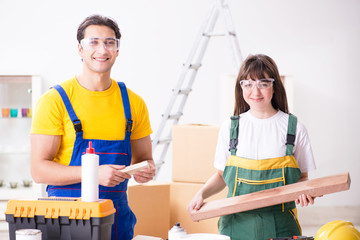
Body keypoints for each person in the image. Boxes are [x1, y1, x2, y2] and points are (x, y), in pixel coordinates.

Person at [30, 14, 156, 240]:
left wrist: (145, 171)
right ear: (80, 49)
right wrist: (93, 174)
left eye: (110, 42)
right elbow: (39, 170)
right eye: (94, 42)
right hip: (64, 221)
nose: (103, 49)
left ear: (117, 50)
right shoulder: (55, 100)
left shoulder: (133, 103)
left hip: (116, 221)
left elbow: (145, 159)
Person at [187, 54, 317, 240]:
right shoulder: (230, 128)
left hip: (281, 228)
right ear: (240, 88)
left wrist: (304, 191)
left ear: (275, 86)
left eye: (263, 83)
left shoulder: (294, 128)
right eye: (248, 84)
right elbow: (221, 176)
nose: (255, 92)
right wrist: (201, 194)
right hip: (235, 227)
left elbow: (303, 177)